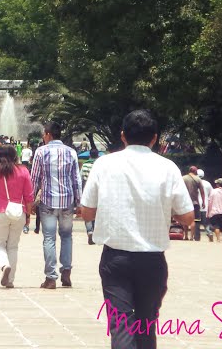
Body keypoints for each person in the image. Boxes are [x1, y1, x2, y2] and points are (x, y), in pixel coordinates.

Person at [80, 110, 195, 349]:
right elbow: (188, 217)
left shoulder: (104, 164)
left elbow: (87, 211)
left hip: (116, 258)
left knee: (121, 326)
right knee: (146, 326)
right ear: (154, 138)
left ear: (123, 136)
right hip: (152, 259)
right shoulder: (168, 167)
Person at [30, 121, 80, 289]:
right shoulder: (71, 152)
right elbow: (76, 179)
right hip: (67, 201)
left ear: (49, 135)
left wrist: (30, 201)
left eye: (44, 134)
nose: (43, 138)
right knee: (67, 236)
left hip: (48, 202)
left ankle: (51, 277)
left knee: (49, 238)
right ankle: (66, 272)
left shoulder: (41, 152)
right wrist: (79, 202)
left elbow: (34, 178)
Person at [0, 143, 33, 288]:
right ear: (15, 156)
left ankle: (4, 265)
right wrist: (28, 215)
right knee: (13, 246)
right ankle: (10, 280)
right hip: (18, 212)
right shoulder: (23, 171)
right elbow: (29, 196)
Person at [80, 148, 99, 245]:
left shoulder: (85, 165)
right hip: (99, 191)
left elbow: (81, 178)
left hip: (87, 190)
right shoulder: (99, 165)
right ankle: (95, 232)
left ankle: (89, 231)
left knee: (87, 212)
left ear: (89, 155)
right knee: (96, 212)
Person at [182, 166, 204, 241]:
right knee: (193, 220)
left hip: (184, 202)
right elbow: (202, 191)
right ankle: (191, 237)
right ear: (195, 171)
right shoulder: (198, 179)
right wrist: (203, 202)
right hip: (195, 202)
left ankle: (186, 236)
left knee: (184, 219)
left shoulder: (183, 178)